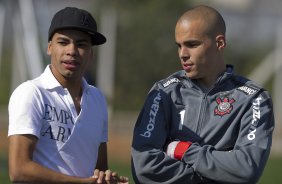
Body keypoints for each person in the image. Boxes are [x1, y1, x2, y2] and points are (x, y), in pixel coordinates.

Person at [131, 5, 275, 184]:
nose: (183, 54)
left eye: (192, 44)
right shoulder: (163, 92)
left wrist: (182, 150)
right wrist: (216, 173)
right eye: (179, 45)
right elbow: (144, 167)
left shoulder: (254, 99)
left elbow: (247, 168)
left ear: (219, 43)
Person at [8, 7, 128, 184]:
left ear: (91, 54)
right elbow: (19, 170)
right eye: (63, 42)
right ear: (49, 47)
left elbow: (100, 169)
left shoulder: (97, 99)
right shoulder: (31, 93)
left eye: (81, 44)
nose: (71, 51)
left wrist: (107, 179)